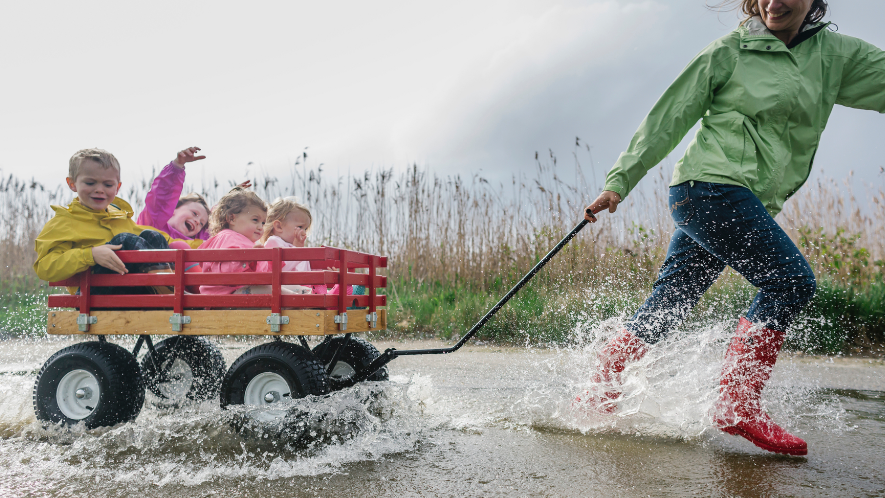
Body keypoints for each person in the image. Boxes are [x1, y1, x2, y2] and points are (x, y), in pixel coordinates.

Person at [578, 0, 885, 457]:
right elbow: (667, 118)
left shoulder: (834, 56)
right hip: (708, 189)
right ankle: (738, 403)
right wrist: (618, 183)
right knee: (790, 282)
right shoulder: (730, 51)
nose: (774, 2)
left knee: (672, 300)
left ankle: (598, 386)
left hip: (734, 199)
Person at [33, 148, 198, 295]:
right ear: (72, 184)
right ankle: (171, 292)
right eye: (90, 183)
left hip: (132, 289)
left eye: (108, 184)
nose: (99, 189)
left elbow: (167, 240)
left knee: (153, 236)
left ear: (117, 187)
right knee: (124, 240)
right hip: (92, 294)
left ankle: (166, 290)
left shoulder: (119, 217)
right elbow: (45, 267)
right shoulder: (64, 222)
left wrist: (206, 245)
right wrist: (90, 255)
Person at [136, 146, 253, 246]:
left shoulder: (198, 242)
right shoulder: (154, 221)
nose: (197, 221)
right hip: (150, 268)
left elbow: (216, 225)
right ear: (173, 209)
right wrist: (177, 166)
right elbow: (162, 196)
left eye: (201, 223)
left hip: (184, 270)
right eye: (194, 213)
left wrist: (229, 202)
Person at [198, 189, 304, 295]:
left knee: (297, 289)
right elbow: (226, 272)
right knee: (282, 294)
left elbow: (263, 276)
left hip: (239, 292)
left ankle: (307, 300)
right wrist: (249, 260)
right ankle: (303, 305)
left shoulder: (242, 241)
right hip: (227, 295)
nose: (260, 227)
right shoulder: (228, 238)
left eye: (263, 223)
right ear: (231, 218)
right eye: (255, 220)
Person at [256, 197, 352, 296]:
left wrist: (322, 273)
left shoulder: (297, 247)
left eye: (305, 229)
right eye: (300, 227)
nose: (304, 232)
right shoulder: (274, 242)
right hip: (285, 290)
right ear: (279, 226)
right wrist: (297, 250)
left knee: (317, 292)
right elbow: (281, 271)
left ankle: (342, 297)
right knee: (313, 293)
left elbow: (305, 269)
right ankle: (329, 297)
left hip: (303, 288)